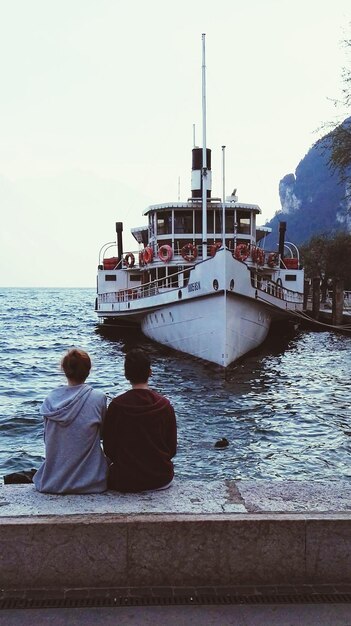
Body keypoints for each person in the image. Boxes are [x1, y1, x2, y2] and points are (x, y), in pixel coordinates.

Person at [33, 348, 108, 494]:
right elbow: (103, 436)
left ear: (64, 370)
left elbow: (47, 440)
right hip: (92, 481)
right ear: (88, 371)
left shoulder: (50, 400)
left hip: (53, 482)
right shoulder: (98, 398)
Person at [103, 348, 177, 493]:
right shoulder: (164, 405)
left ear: (126, 375)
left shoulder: (117, 406)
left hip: (124, 479)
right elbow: (171, 449)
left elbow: (109, 449)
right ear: (150, 372)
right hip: (160, 478)